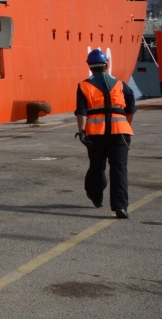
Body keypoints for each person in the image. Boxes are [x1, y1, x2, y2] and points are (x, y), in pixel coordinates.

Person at [75, 48, 135, 218]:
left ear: (90, 66)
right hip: (121, 133)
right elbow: (130, 108)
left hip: (95, 134)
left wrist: (81, 132)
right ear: (106, 65)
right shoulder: (121, 84)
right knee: (119, 169)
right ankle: (120, 206)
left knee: (96, 166)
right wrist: (126, 125)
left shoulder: (83, 86)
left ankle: (95, 196)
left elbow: (81, 112)